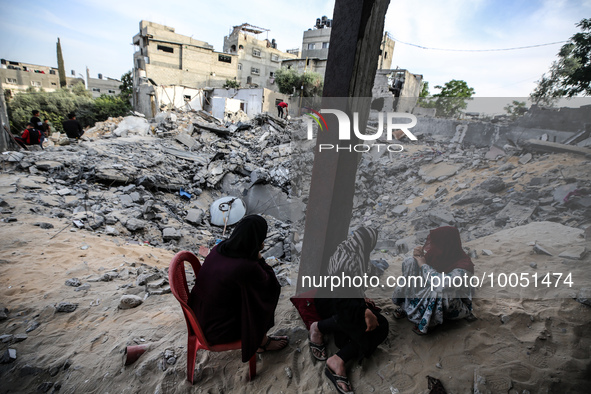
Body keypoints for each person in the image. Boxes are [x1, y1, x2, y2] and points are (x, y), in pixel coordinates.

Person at [188, 215, 288, 363]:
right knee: (258, 302)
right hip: (215, 330)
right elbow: (271, 285)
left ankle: (261, 340)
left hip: (198, 317)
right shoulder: (246, 267)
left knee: (249, 295)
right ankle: (261, 342)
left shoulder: (219, 248)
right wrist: (259, 257)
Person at [309, 227, 389, 394]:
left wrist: (361, 299)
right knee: (380, 325)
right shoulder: (347, 261)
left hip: (340, 300)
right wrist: (364, 311)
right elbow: (342, 300)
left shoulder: (351, 250)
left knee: (363, 330)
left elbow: (350, 289)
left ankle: (338, 358)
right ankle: (319, 328)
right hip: (332, 303)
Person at [391, 226, 475, 335]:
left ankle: (429, 321)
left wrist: (423, 265)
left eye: (436, 243)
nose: (432, 246)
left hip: (454, 302)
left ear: (446, 244)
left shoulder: (464, 266)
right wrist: (418, 256)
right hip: (431, 288)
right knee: (410, 262)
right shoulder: (439, 254)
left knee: (440, 291)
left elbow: (442, 284)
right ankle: (407, 307)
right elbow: (420, 269)